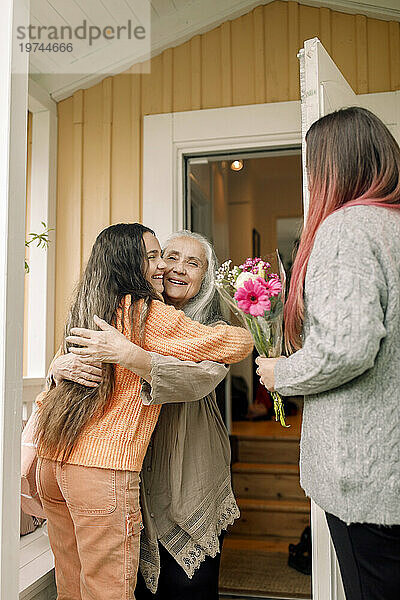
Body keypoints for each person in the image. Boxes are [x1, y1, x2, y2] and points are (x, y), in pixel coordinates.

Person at [35, 224, 253, 600]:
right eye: (164, 257)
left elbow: (204, 374)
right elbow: (242, 342)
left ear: (206, 278)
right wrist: (59, 368)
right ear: (134, 263)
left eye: (193, 263)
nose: (172, 268)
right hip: (106, 468)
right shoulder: (146, 313)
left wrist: (130, 355)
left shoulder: (95, 304)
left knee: (77, 588)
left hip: (167, 468)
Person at [255, 107, 400, 600]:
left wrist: (282, 373)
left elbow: (348, 346)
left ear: (332, 168)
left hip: (369, 478)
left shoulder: (348, 228)